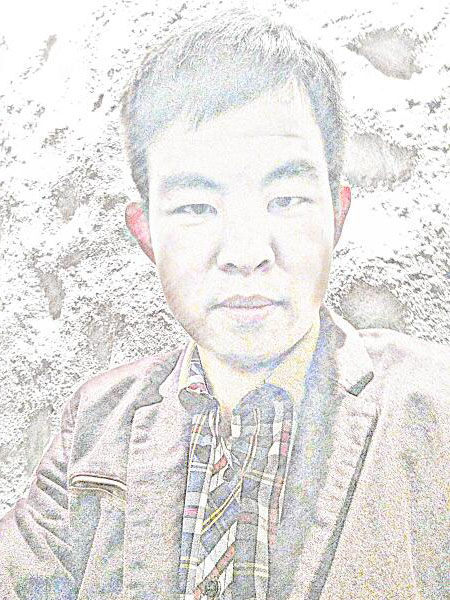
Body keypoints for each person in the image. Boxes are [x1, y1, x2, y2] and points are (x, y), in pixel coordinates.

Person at [0, 8, 448, 600]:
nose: (245, 253)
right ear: (147, 234)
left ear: (337, 214)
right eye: (195, 207)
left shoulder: (434, 409)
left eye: (286, 199)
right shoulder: (96, 425)